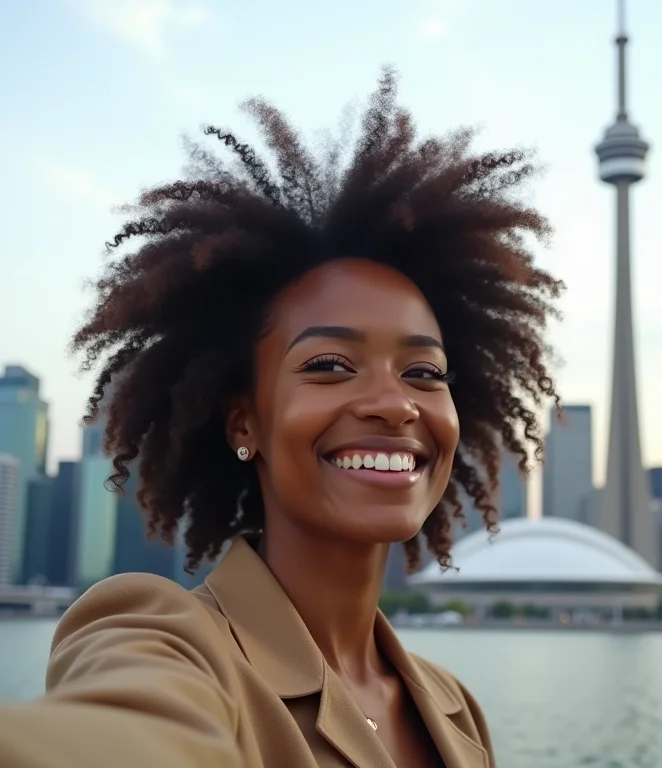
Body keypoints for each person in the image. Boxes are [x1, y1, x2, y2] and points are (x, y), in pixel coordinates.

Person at [0, 68, 561, 767]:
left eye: (424, 373)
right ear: (243, 424)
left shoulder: (454, 708)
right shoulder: (165, 640)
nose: (394, 403)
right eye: (329, 365)